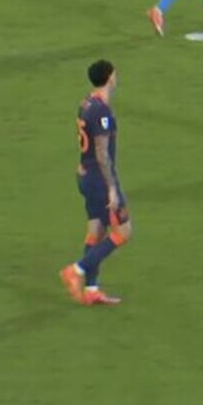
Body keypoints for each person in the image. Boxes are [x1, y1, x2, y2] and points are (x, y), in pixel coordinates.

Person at [60, 60, 127, 306]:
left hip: (85, 175)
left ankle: (91, 289)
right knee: (123, 232)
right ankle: (76, 270)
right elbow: (102, 153)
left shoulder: (86, 103)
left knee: (96, 230)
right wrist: (112, 188)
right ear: (110, 77)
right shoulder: (101, 111)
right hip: (99, 178)